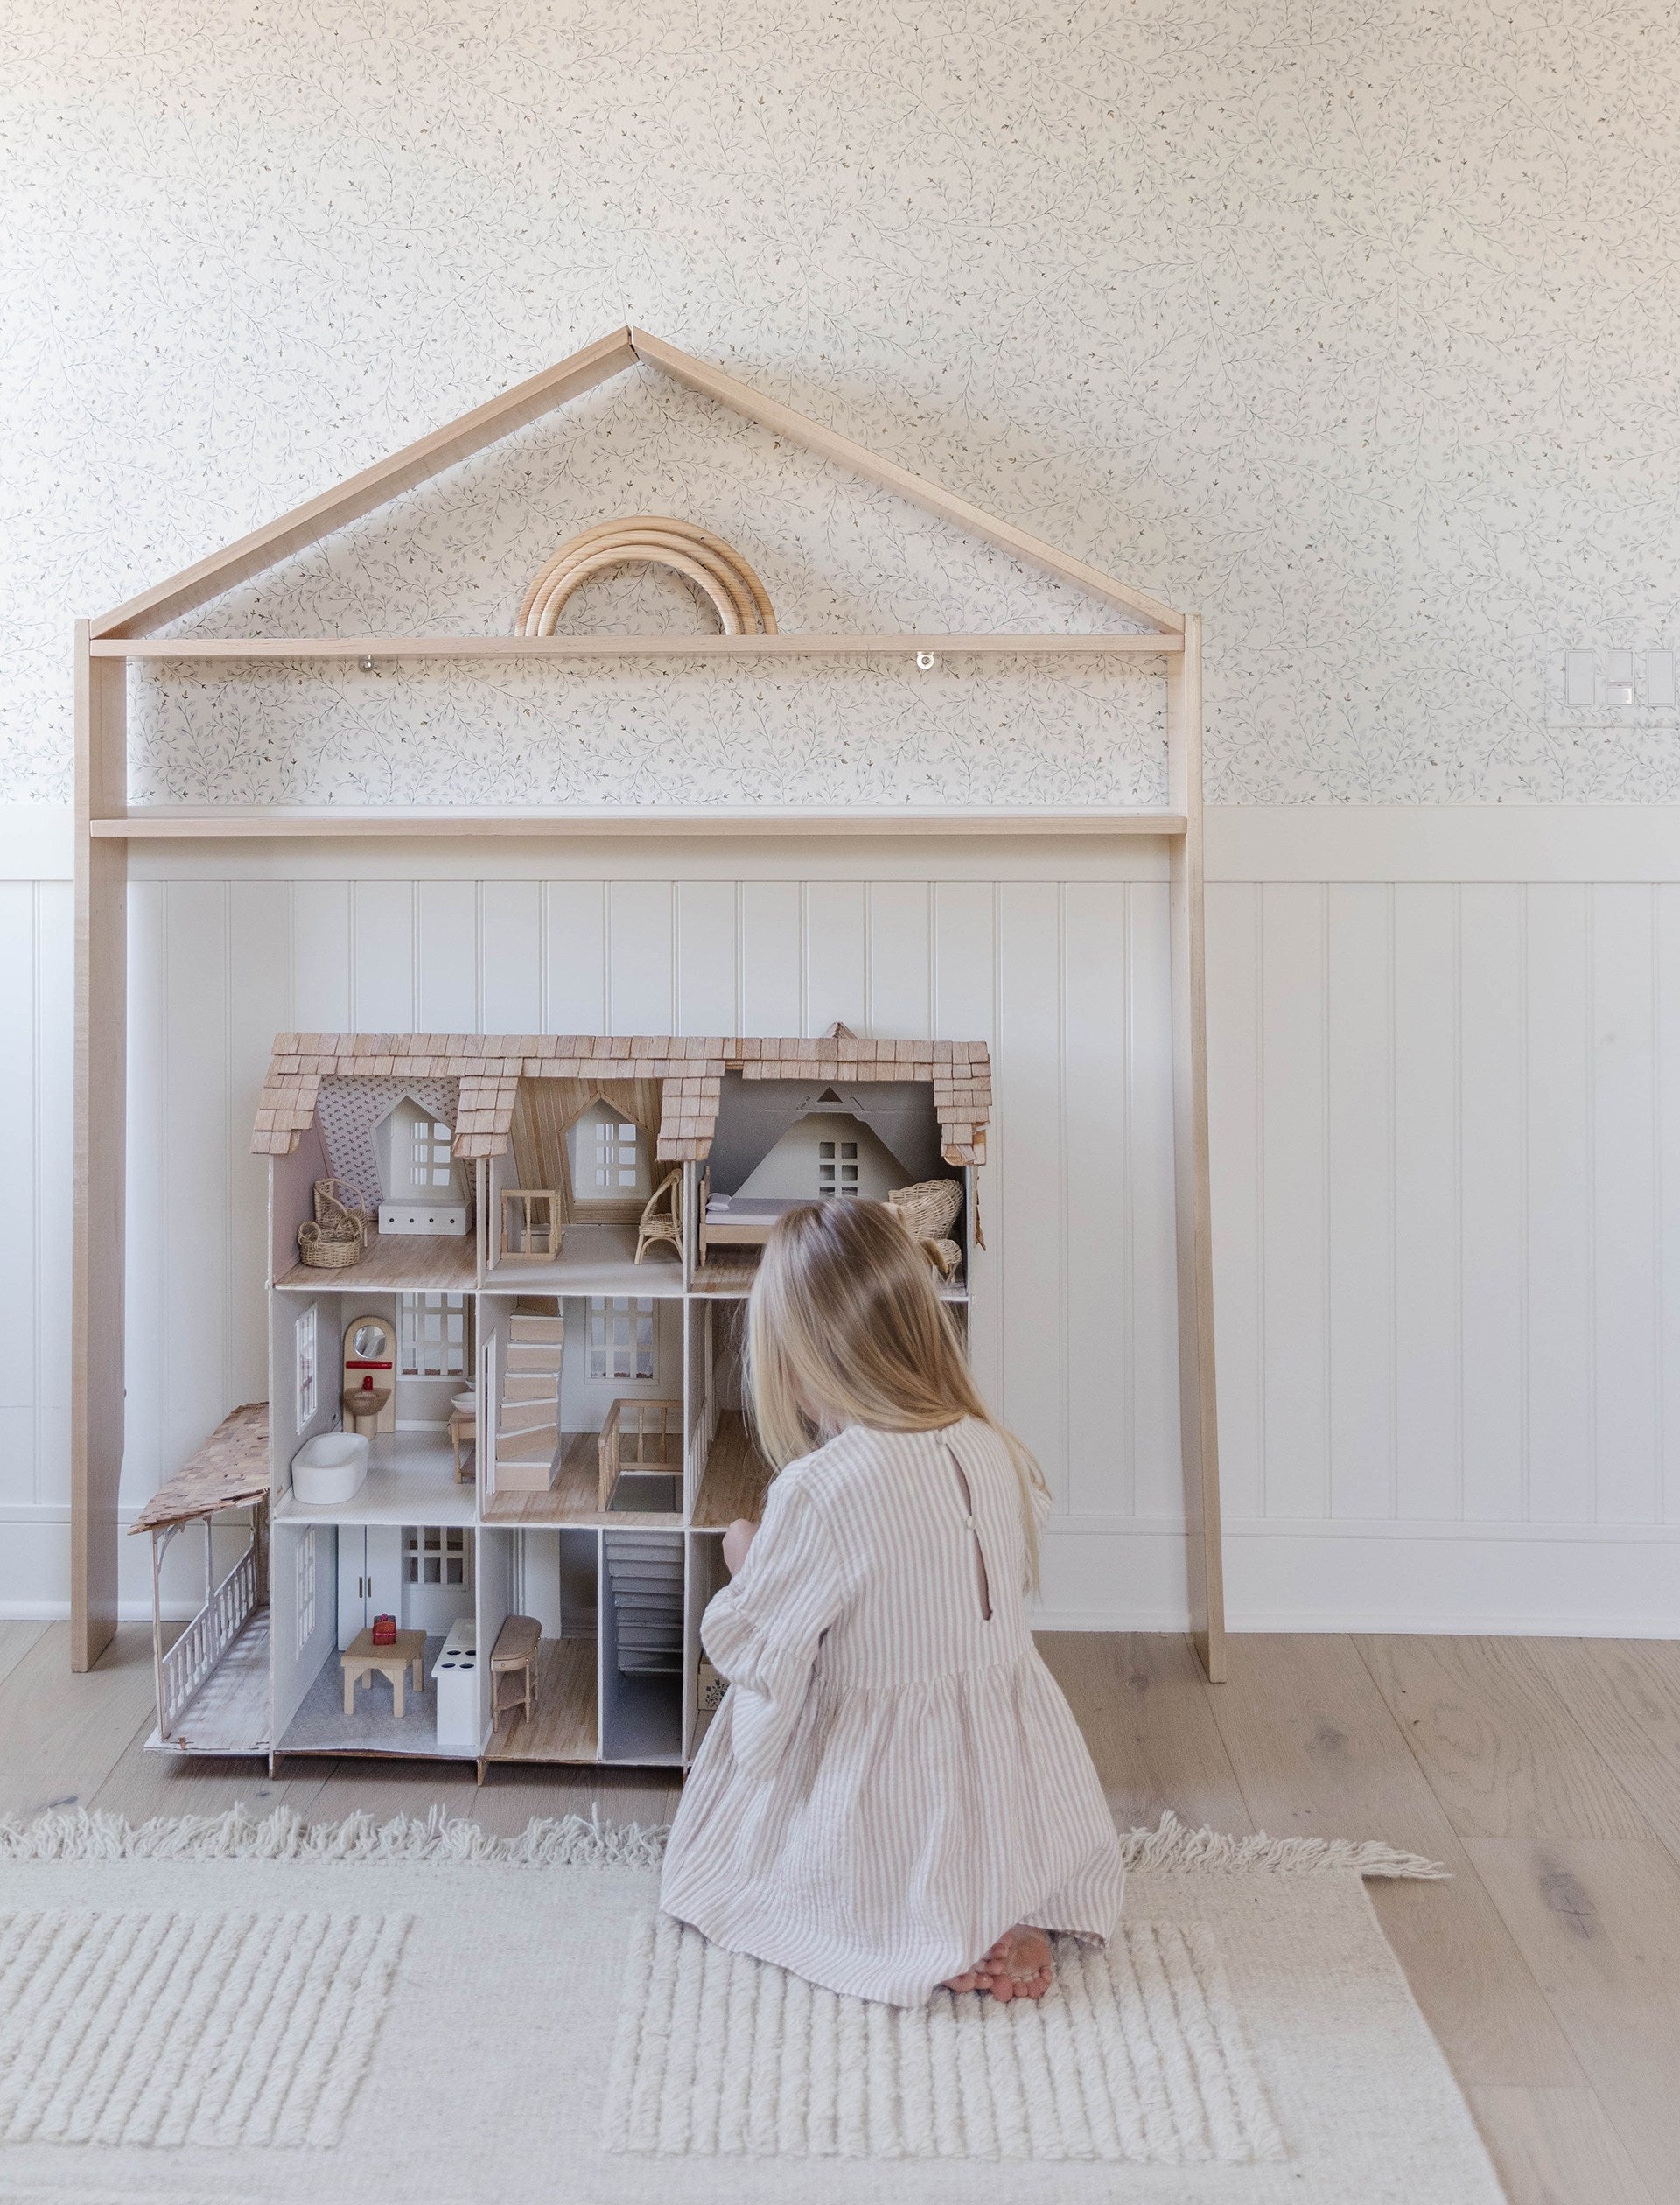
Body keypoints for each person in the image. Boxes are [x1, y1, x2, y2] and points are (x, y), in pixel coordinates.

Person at [660, 1197, 1124, 2007]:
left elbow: (756, 1645)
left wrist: (744, 1556)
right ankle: (998, 1903)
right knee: (956, 1783)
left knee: (748, 1836)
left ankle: (903, 1931)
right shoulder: (993, 1449)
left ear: (798, 1363)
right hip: (1006, 1792)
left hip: (886, 1797)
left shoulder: (825, 1490)